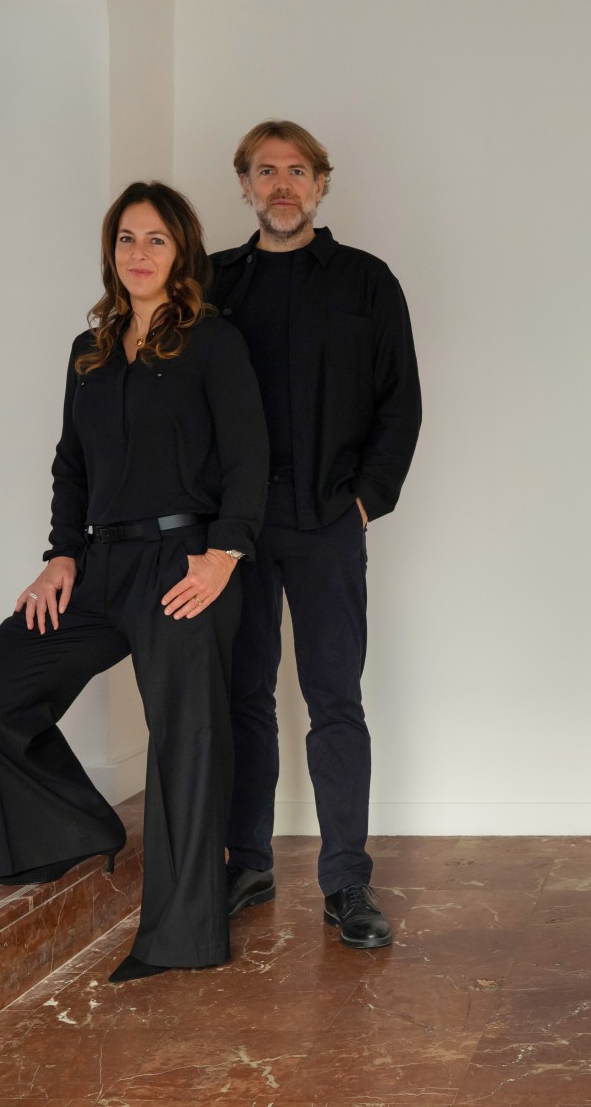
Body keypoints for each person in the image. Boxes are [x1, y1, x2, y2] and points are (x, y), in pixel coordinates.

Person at [0, 181, 269, 983]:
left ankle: (181, 941)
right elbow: (72, 464)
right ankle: (71, 831)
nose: (139, 253)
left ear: (181, 252)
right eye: (126, 238)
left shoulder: (213, 342)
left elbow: (248, 456)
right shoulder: (88, 351)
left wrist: (222, 556)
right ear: (110, 251)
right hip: (100, 564)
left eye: (156, 239)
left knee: (184, 739)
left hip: (184, 561)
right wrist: (61, 555)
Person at [208, 121, 421, 949]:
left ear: (321, 185)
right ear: (245, 185)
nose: (282, 186)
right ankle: (248, 863)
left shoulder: (367, 281)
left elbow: (400, 404)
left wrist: (363, 504)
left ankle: (346, 883)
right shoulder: (212, 283)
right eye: (266, 171)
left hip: (328, 522)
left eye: (298, 170)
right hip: (235, 529)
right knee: (244, 697)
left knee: (335, 700)